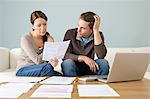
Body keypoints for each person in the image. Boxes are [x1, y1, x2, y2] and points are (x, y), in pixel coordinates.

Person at [61, 11, 109, 77]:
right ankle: (72, 85)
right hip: (73, 67)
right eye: (78, 25)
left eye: (83, 28)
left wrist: (96, 31)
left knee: (103, 63)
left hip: (90, 67)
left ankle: (101, 86)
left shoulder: (98, 34)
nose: (78, 30)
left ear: (91, 29)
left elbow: (101, 56)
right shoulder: (70, 33)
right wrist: (83, 58)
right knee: (67, 63)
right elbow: (64, 55)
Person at [16, 10, 61, 76]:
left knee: (60, 74)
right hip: (24, 69)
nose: (43, 28)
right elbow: (37, 61)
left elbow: (48, 59)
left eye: (44, 24)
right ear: (33, 26)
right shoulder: (25, 38)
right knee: (48, 68)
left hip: (42, 68)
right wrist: (48, 47)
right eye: (39, 25)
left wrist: (53, 62)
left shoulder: (48, 38)